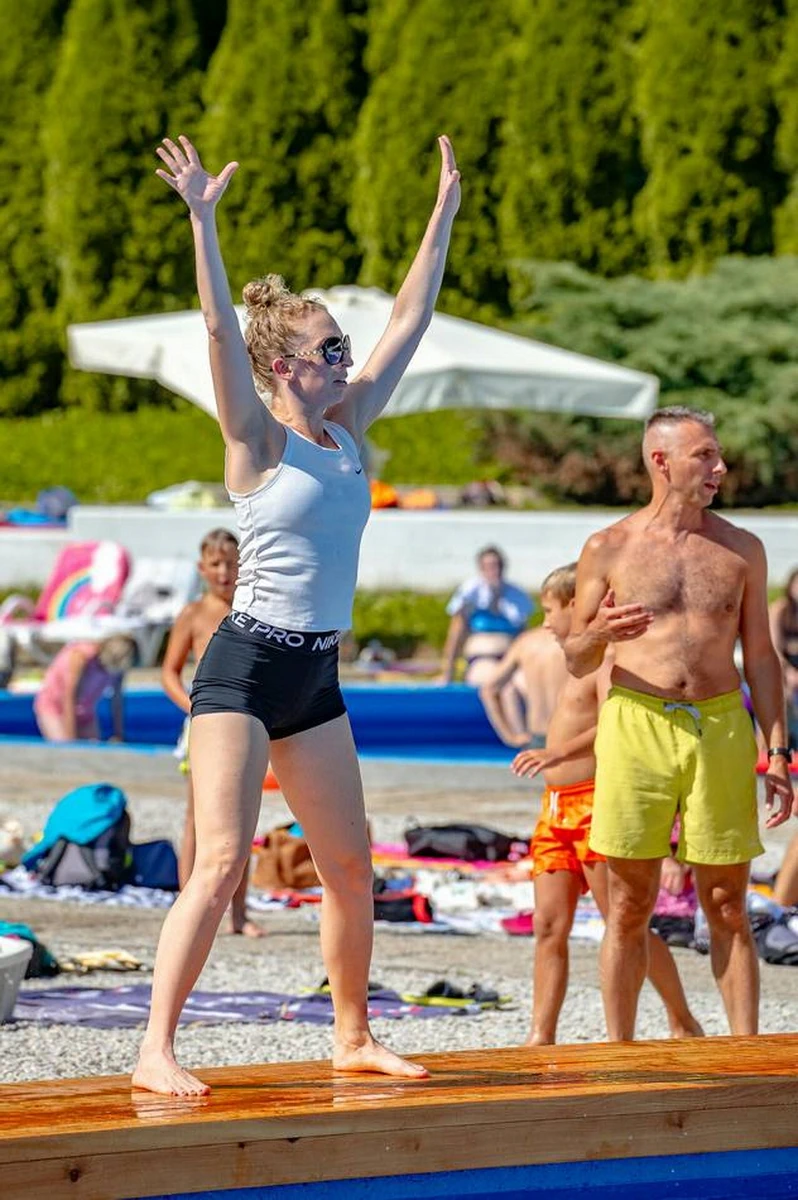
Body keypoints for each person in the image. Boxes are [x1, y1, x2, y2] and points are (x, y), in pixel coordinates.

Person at [133, 131, 460, 1096]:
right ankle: (156, 1048)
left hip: (314, 675)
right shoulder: (257, 442)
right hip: (243, 670)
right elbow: (216, 329)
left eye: (345, 346)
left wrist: (442, 215)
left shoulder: (346, 431)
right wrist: (203, 220)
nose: (347, 359)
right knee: (221, 864)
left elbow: (412, 316)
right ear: (283, 366)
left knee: (350, 868)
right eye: (330, 349)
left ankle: (351, 1035)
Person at [564, 405, 795, 1041]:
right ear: (661, 462)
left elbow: (761, 658)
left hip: (719, 725)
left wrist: (778, 751)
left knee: (727, 904)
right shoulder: (608, 547)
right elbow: (577, 659)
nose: (721, 468)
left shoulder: (741, 548)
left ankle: (744, 1056)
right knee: (629, 904)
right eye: (705, 456)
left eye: (718, 455)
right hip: (636, 722)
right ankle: (620, 1055)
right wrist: (597, 633)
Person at [509, 564, 701, 1045]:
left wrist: (557, 752)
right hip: (554, 809)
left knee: (624, 924)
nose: (545, 622)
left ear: (577, 605)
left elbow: (616, 721)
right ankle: (540, 1036)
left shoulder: (606, 658)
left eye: (549, 610)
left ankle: (681, 1018)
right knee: (548, 925)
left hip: (594, 804)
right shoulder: (573, 659)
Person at [161, 528, 262, 938]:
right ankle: (188, 907)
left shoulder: (253, 611)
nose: (224, 573)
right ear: (202, 569)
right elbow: (169, 672)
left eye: (232, 564)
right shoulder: (194, 614)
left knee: (243, 820)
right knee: (196, 819)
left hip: (248, 720)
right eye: (216, 565)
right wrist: (194, 708)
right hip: (205, 722)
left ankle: (239, 912)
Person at [439, 547, 533, 741]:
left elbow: (524, 637)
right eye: (488, 566)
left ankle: (541, 736)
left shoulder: (515, 597)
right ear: (481, 568)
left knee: (527, 686)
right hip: (482, 659)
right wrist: (448, 673)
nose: (493, 570)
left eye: (497, 565)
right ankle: (518, 738)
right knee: (505, 688)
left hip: (510, 659)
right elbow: (455, 638)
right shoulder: (470, 595)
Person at [34, 635, 137, 743]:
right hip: (55, 707)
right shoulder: (81, 656)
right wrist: (70, 738)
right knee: (65, 748)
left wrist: (118, 735)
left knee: (94, 750)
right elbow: (69, 697)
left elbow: (117, 700)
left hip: (85, 711)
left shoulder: (121, 665)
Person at [479, 625, 568, 748]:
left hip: (536, 737)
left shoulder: (525, 641)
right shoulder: (575, 643)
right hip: (569, 737)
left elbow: (489, 689)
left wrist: (509, 736)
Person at [768, 567, 798, 750]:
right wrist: (789, 672)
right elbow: (774, 649)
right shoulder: (780, 609)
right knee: (782, 695)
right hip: (781, 667)